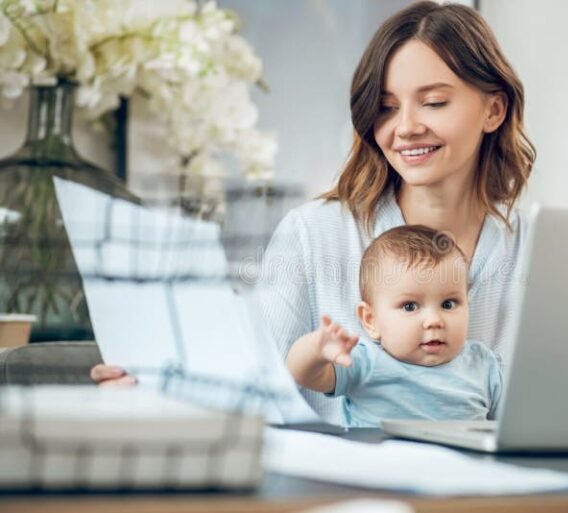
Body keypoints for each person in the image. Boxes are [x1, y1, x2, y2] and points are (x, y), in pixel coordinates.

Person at [91, 0, 536, 425]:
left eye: (434, 102)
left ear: (494, 110)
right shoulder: (313, 233)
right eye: (385, 108)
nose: (405, 128)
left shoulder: (534, 249)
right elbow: (255, 379)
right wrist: (150, 389)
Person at [286, 225, 503, 427]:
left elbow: (515, 423)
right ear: (371, 320)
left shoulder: (484, 365)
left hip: (462, 457)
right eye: (410, 306)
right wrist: (315, 349)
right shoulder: (364, 362)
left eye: (448, 304)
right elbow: (300, 374)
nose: (434, 320)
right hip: (381, 456)